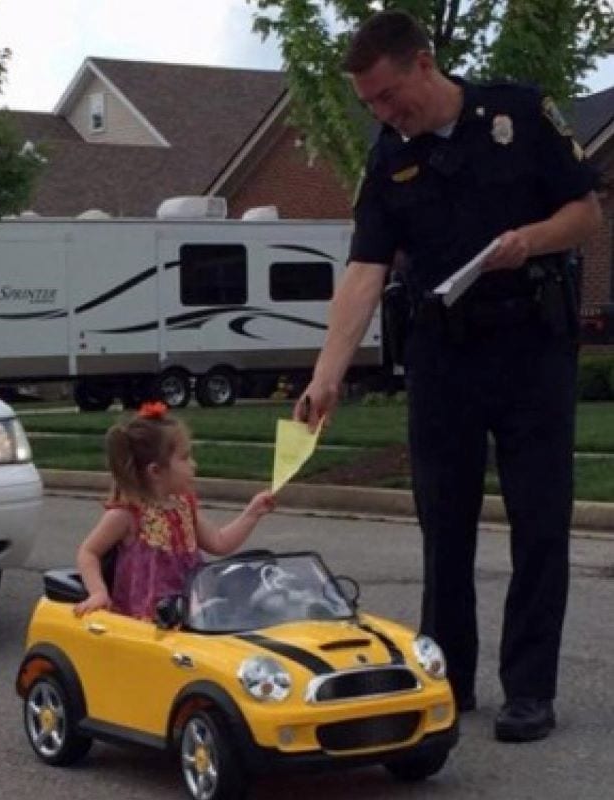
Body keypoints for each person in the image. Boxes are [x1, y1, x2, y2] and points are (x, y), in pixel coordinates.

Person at [295, 10, 601, 743]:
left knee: (538, 524)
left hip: (530, 348)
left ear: (424, 65)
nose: (381, 112)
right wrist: (326, 374)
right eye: (368, 104)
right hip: (442, 357)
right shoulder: (388, 158)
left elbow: (585, 211)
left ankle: (528, 691)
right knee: (444, 526)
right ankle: (449, 677)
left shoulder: (519, 114)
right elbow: (364, 271)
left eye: (387, 96)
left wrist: (530, 241)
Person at [73, 401, 276, 620]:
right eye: (185, 457)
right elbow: (89, 552)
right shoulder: (127, 514)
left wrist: (252, 513)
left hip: (192, 615)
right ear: (156, 471)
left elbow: (219, 542)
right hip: (146, 622)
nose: (194, 464)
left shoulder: (184, 506)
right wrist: (98, 592)